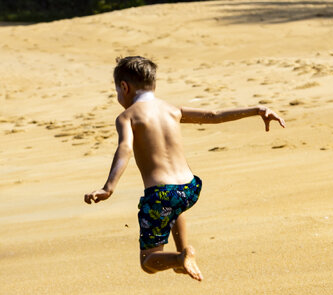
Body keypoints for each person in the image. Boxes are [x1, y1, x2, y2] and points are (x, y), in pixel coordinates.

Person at [84, 56, 285, 282]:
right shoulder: (172, 110)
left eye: (118, 92)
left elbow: (125, 148)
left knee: (148, 262)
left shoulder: (127, 116)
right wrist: (258, 110)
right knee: (175, 206)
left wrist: (108, 187)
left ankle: (181, 259)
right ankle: (182, 251)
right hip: (189, 189)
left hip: (162, 194)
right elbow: (214, 116)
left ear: (124, 87)